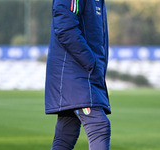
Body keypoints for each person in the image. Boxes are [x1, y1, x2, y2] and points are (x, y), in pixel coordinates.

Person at [45, 0, 111, 149]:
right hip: (76, 72)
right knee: (99, 126)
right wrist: (90, 61)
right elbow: (65, 26)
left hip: (82, 72)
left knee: (66, 134)